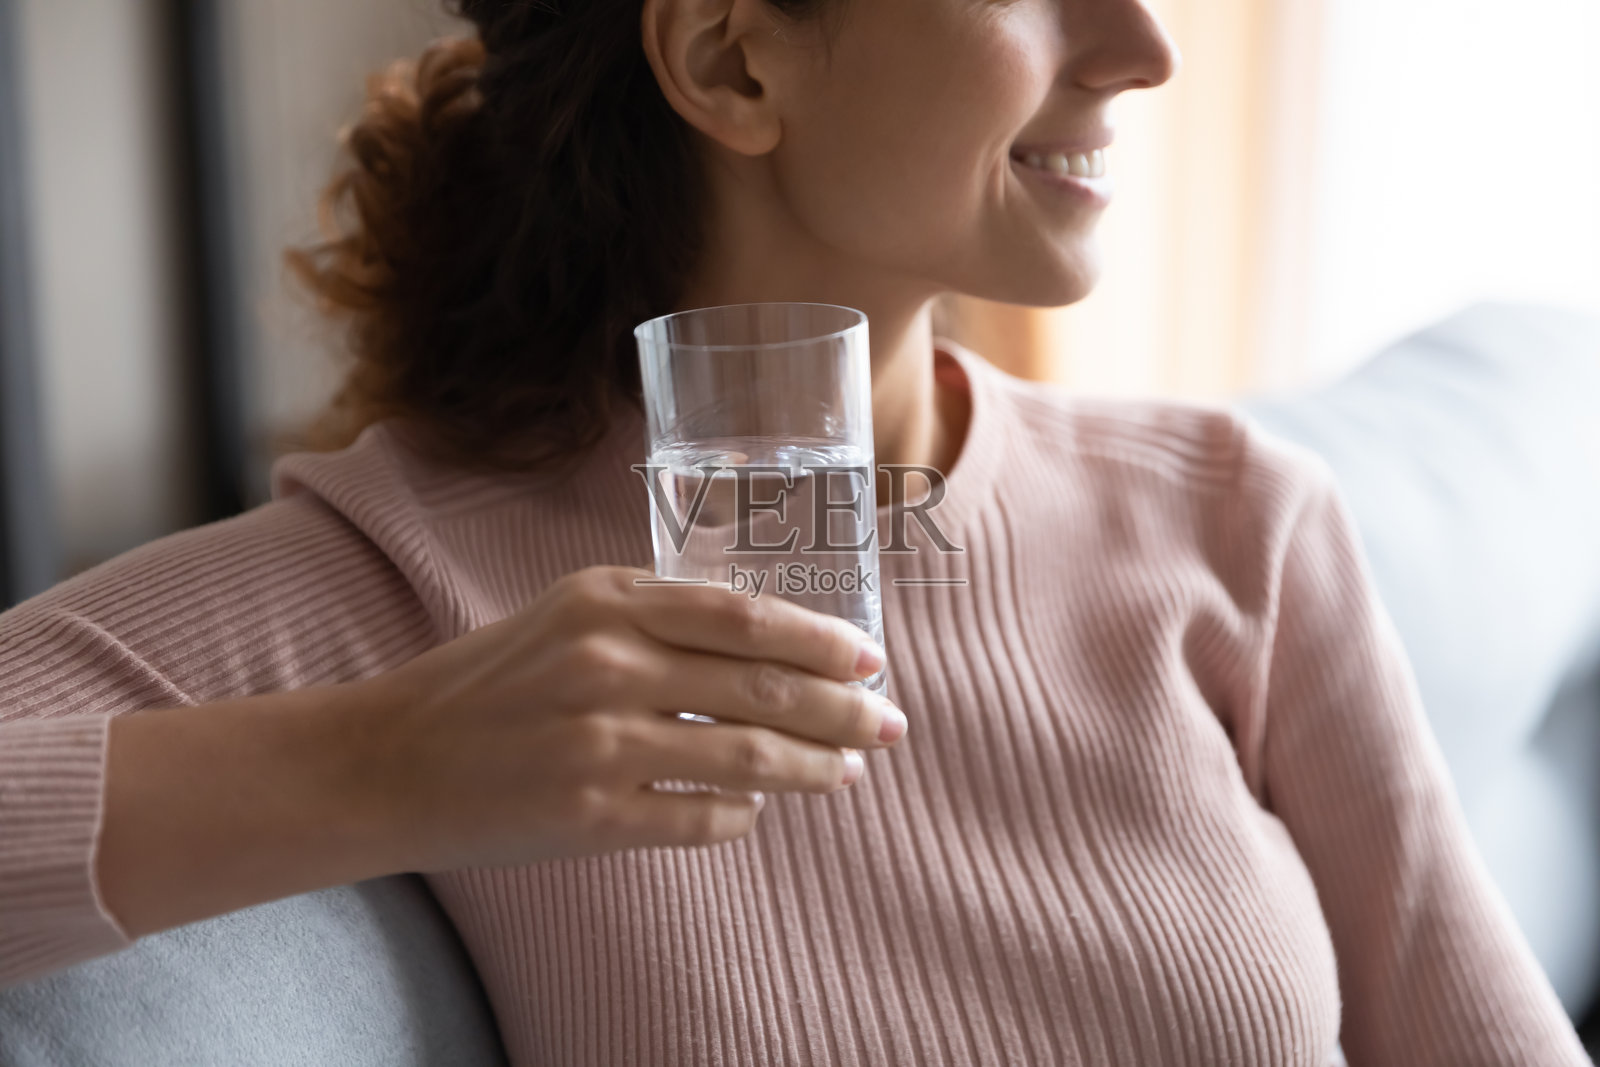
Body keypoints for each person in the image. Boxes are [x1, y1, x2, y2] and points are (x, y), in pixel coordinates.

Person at [0, 0, 1589, 1063]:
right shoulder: (417, 583)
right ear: (734, 66)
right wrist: (389, 763)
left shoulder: (1234, 521)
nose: (1145, 43)